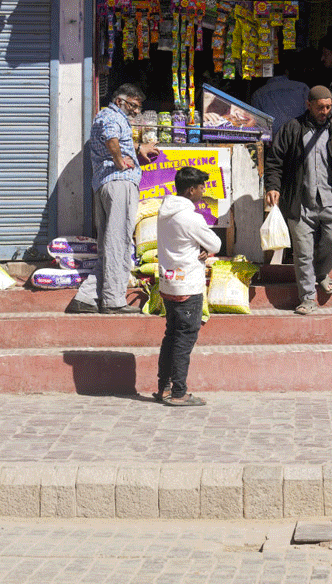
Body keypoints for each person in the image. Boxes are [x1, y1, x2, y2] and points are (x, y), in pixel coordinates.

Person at [66, 83, 159, 314]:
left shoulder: (108, 117)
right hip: (119, 184)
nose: (136, 111)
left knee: (109, 245)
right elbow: (111, 139)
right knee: (119, 242)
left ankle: (86, 298)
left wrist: (137, 149)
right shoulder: (110, 116)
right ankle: (114, 301)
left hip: (106, 184)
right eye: (134, 106)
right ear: (120, 101)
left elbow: (115, 139)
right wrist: (119, 161)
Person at [264, 85, 332, 316]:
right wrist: (273, 187)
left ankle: (321, 273)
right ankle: (307, 298)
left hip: (331, 199)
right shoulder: (292, 129)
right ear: (308, 105)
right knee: (303, 252)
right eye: (320, 107)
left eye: (328, 107)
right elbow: (275, 161)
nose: (325, 111)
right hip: (299, 201)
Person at [155, 167, 222, 407]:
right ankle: (179, 392)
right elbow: (215, 242)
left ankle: (164, 387)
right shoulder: (191, 217)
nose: (204, 191)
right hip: (188, 286)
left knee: (171, 336)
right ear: (191, 189)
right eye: (202, 187)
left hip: (169, 283)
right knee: (184, 339)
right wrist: (202, 248)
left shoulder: (164, 214)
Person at [251, 54, 310, 136]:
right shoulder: (303, 88)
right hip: (300, 139)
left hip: (274, 143)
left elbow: (258, 127)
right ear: (287, 71)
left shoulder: (258, 95)